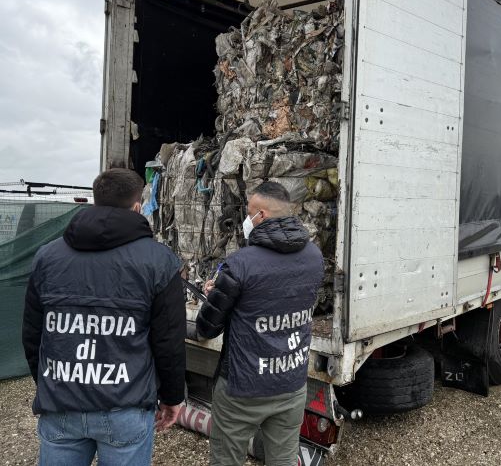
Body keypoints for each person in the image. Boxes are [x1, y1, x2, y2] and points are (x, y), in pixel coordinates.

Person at [22, 168, 186, 466]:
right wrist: (172, 397)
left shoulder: (47, 256)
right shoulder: (159, 261)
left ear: (96, 200)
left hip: (61, 401)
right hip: (125, 405)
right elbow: (169, 340)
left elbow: (33, 334)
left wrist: (49, 384)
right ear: (137, 207)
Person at [197, 181, 324, 466]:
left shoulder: (240, 263)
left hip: (242, 387)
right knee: (283, 459)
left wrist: (216, 296)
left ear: (261, 215)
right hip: (291, 382)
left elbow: (207, 328)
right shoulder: (314, 257)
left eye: (248, 213)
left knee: (226, 459)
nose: (246, 219)